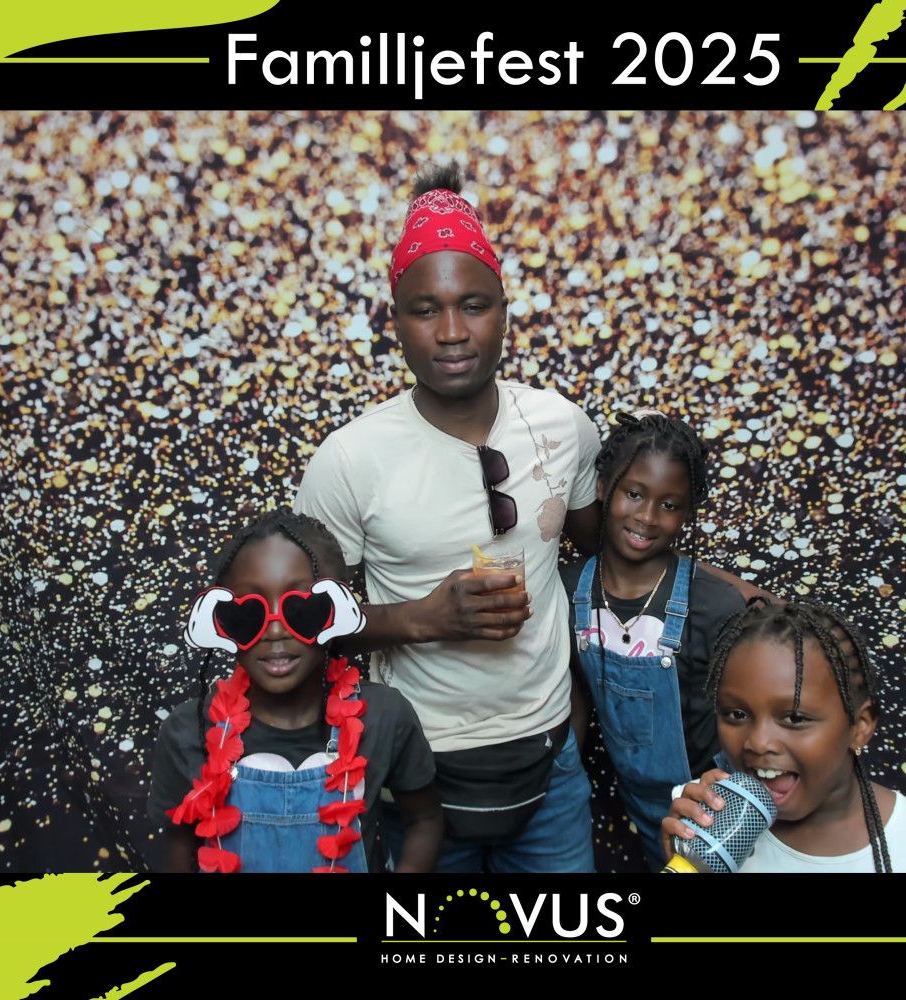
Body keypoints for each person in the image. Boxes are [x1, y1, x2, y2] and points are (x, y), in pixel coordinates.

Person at [293, 165, 602, 872]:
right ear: (395, 322)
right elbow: (300, 621)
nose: (453, 332)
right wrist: (425, 618)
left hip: (551, 761)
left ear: (506, 311)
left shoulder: (563, 426)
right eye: (426, 310)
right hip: (417, 768)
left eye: (474, 305)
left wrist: (722, 587)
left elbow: (609, 554)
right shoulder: (349, 459)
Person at [147, 508, 442, 872]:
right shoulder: (188, 731)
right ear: (223, 621)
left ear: (335, 612)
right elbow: (175, 851)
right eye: (249, 614)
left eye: (301, 609)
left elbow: (425, 819)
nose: (275, 632)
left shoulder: (384, 716)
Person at [661, 599, 906, 872]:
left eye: (794, 718)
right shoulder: (703, 822)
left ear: (860, 727)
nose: (758, 742)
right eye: (737, 714)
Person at [563, 409, 747, 867]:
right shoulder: (568, 590)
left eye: (669, 505)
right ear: (602, 487)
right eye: (634, 494)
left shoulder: (714, 605)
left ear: (688, 513)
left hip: (713, 809)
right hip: (636, 805)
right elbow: (574, 693)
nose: (647, 517)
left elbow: (746, 716)